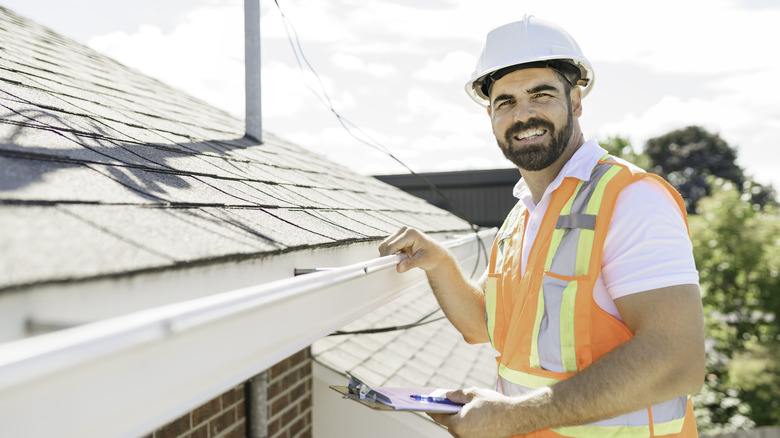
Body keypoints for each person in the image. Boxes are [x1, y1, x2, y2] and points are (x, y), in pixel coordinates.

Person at [379, 15, 705, 438]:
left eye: (541, 94)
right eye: (505, 102)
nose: (523, 114)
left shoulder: (630, 198)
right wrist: (439, 264)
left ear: (576, 100)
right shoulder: (523, 215)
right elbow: (485, 326)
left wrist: (509, 416)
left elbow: (677, 358)